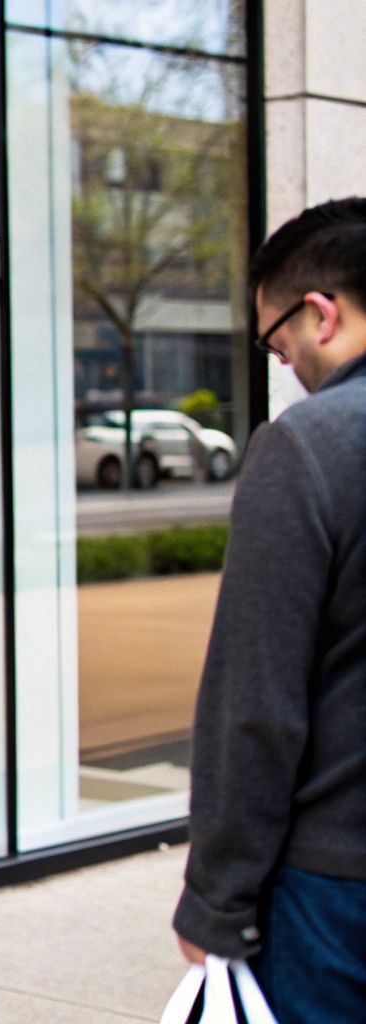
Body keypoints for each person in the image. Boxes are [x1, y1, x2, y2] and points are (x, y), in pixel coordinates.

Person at [173, 197, 366, 1021]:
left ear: (321, 313)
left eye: (278, 344)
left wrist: (216, 898)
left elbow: (256, 703)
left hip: (341, 891)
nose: (285, 368)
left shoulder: (309, 446)